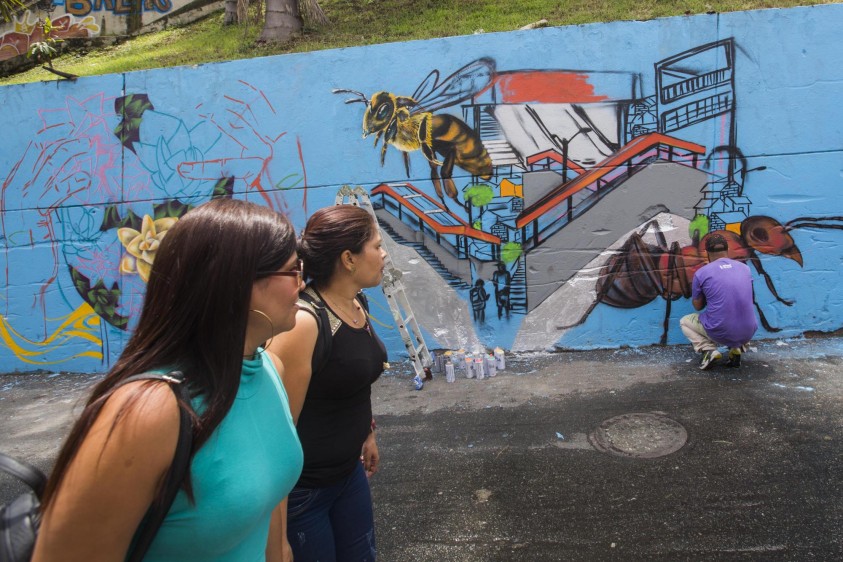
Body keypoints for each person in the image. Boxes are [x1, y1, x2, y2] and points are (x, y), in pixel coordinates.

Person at [33, 198, 304, 562]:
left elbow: (265, 505)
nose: (303, 283)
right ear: (238, 284)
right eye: (294, 270)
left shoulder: (268, 368)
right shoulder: (148, 412)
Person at [267, 204, 387, 562]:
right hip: (305, 493)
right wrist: (277, 539)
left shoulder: (356, 302)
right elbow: (276, 434)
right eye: (377, 246)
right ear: (349, 258)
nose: (383, 255)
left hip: (348, 475)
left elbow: (354, 378)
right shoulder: (306, 322)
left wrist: (367, 432)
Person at [680, 233, 758, 370]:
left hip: (720, 330)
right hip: (749, 330)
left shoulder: (702, 273)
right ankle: (736, 349)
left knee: (685, 321)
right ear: (727, 250)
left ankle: (709, 350)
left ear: (707, 253)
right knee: (738, 313)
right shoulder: (745, 268)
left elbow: (697, 306)